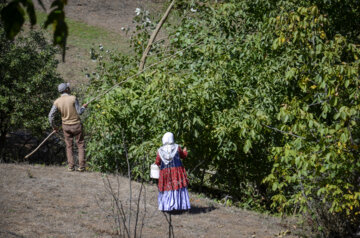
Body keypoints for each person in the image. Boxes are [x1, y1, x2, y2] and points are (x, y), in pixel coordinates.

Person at [48, 83, 88, 172]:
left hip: (66, 126)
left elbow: (50, 116)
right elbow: (79, 112)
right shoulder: (73, 98)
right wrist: (84, 107)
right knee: (80, 145)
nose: (69, 88)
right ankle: (81, 167)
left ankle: (71, 167)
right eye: (68, 87)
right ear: (66, 90)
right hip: (76, 125)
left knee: (69, 146)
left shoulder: (57, 101)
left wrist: (54, 127)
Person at [155, 132, 191, 212]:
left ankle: (166, 206)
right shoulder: (177, 147)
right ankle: (178, 205)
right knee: (177, 186)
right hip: (176, 171)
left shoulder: (160, 150)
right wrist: (185, 151)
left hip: (165, 172)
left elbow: (157, 162)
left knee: (167, 187)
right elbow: (183, 156)